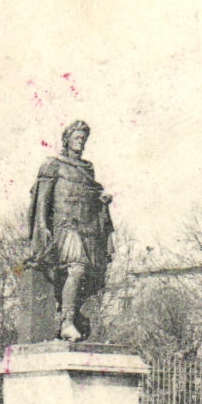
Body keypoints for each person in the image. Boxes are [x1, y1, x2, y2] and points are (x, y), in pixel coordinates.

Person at [27, 120, 115, 341]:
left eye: (84, 138)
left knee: (92, 274)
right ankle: (67, 321)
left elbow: (90, 195)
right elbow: (42, 199)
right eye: (77, 137)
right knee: (76, 268)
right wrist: (41, 227)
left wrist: (101, 198)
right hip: (64, 227)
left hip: (88, 227)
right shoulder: (53, 164)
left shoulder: (87, 168)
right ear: (67, 139)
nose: (81, 142)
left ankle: (72, 314)